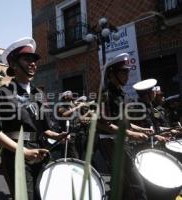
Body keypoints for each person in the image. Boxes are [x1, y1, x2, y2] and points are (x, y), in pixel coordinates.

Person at [0, 37, 68, 200]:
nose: (33, 63)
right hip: (16, 155)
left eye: (34, 60)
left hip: (40, 152)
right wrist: (25, 152)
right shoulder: (3, 93)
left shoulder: (39, 94)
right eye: (27, 59)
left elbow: (44, 128)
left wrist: (57, 136)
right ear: (13, 64)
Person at [97, 53, 152, 200]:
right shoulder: (105, 94)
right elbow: (103, 124)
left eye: (128, 71)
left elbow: (123, 122)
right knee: (137, 186)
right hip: (111, 143)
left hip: (122, 142)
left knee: (123, 186)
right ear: (111, 73)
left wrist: (140, 129)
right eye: (123, 71)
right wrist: (132, 134)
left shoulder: (122, 94)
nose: (127, 74)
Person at [56, 90, 90, 159]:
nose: (72, 95)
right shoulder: (60, 106)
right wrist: (77, 107)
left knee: (79, 155)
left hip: (77, 135)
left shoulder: (72, 106)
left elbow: (79, 119)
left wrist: (87, 115)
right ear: (65, 97)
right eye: (69, 94)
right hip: (67, 135)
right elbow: (64, 115)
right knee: (73, 156)